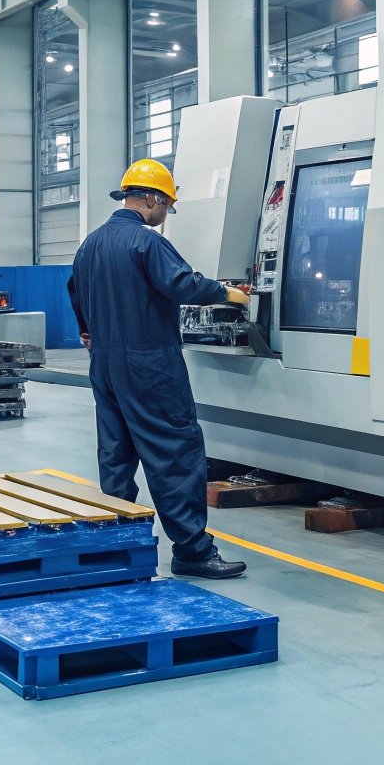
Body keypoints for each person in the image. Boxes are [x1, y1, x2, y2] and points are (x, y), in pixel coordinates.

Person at [68, 158, 251, 580]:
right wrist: (227, 293)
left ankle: (117, 547)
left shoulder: (90, 245)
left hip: (105, 362)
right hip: (149, 364)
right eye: (165, 205)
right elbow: (181, 284)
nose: (165, 214)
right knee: (175, 452)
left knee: (117, 455)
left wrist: (88, 331)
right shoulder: (145, 242)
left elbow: (75, 292)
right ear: (150, 199)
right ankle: (192, 550)